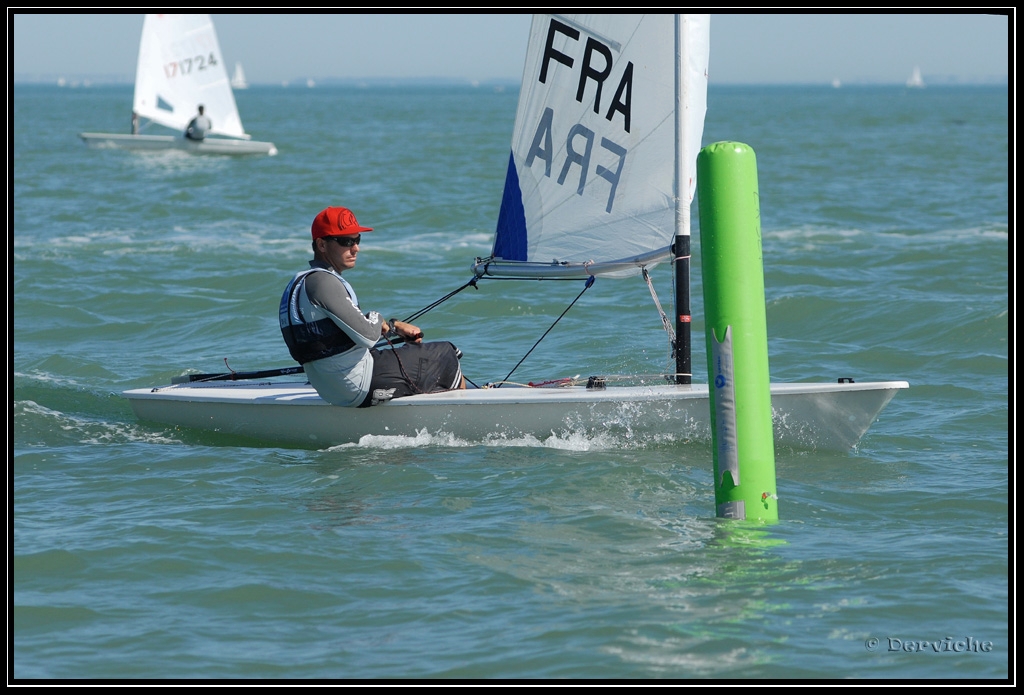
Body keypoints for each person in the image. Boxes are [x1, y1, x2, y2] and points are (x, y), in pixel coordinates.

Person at [279, 206, 466, 407]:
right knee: (446, 353)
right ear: (321, 245)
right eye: (346, 241)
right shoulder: (324, 282)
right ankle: (464, 421)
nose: (355, 248)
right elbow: (368, 336)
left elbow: (338, 336)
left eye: (357, 240)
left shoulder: (299, 283)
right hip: (358, 386)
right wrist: (377, 316)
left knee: (416, 359)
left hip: (329, 388)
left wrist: (392, 327)